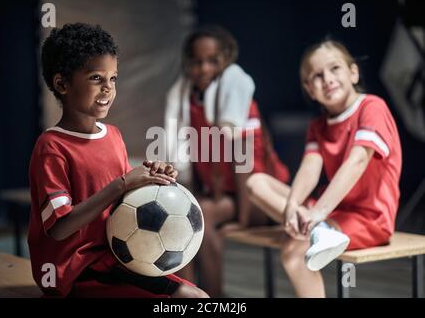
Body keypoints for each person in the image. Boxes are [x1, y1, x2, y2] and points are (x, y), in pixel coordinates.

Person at [28, 23, 208, 298]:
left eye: (113, 79)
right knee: (191, 299)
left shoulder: (113, 135)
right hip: (75, 270)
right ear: (62, 83)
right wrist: (123, 183)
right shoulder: (51, 146)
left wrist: (153, 178)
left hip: (117, 258)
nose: (108, 88)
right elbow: (59, 227)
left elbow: (126, 202)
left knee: (197, 296)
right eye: (96, 78)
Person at [246, 39, 402, 297]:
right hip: (332, 212)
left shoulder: (372, 106)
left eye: (334, 69)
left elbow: (358, 160)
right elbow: (309, 168)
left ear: (353, 72)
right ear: (309, 88)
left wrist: (317, 211)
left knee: (292, 253)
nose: (327, 79)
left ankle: (319, 228)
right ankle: (319, 230)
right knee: (255, 183)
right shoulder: (318, 125)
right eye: (317, 76)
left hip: (369, 219)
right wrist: (293, 205)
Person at [165, 26, 290, 297]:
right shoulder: (189, 101)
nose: (204, 69)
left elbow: (246, 168)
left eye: (212, 61)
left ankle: (214, 297)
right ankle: (188, 294)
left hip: (259, 200)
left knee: (201, 215)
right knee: (180, 214)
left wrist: (244, 220)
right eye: (197, 62)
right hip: (221, 197)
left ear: (226, 61)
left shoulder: (240, 103)